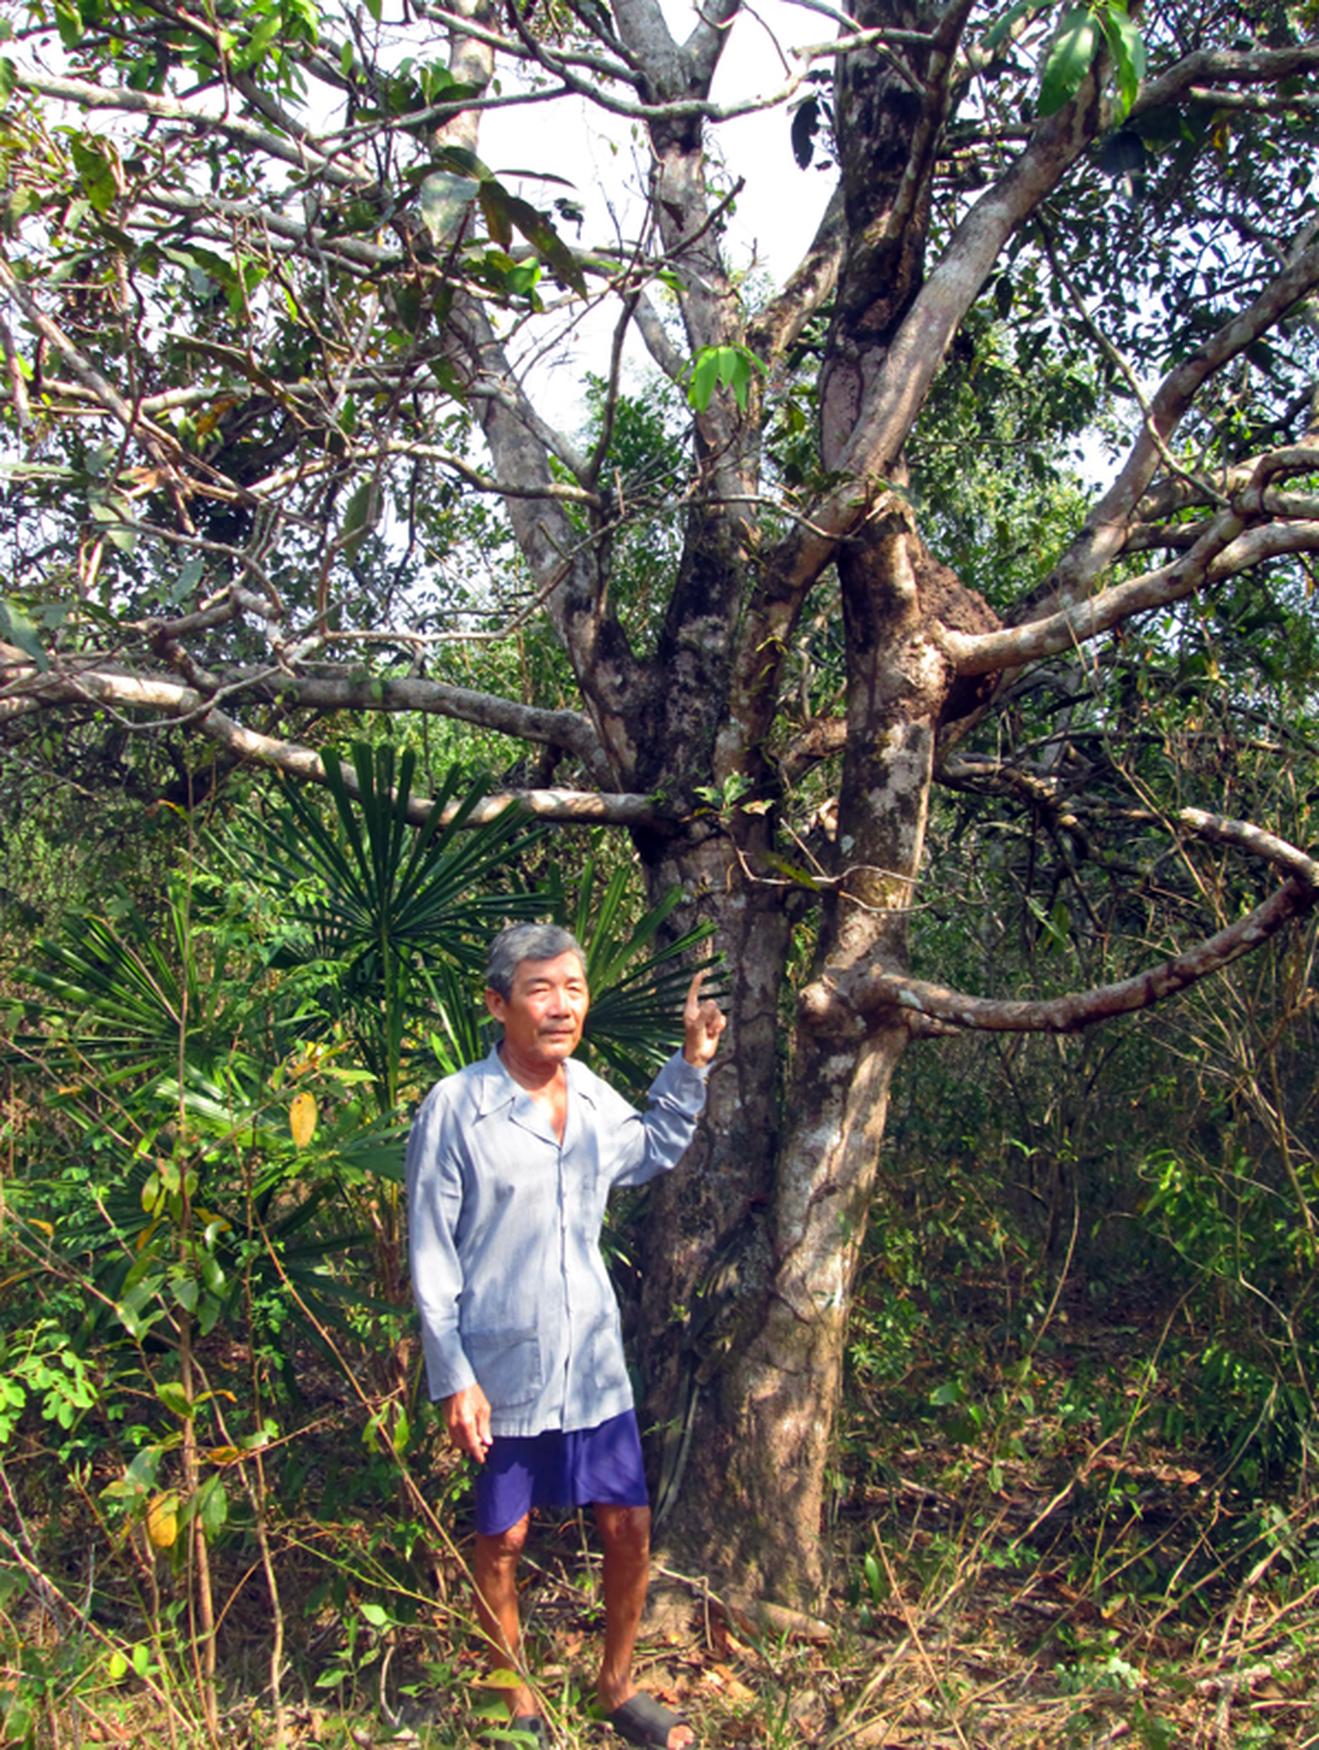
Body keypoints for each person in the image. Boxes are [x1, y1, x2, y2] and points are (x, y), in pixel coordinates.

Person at [406, 922, 726, 1749]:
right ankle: (513, 1699)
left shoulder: (587, 1094)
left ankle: (616, 1687)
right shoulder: (457, 1107)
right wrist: (453, 1375)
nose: (560, 1007)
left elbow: (647, 1149)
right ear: (497, 1004)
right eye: (540, 990)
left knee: (627, 1525)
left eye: (573, 990)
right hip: (501, 1363)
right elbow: (432, 1253)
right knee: (503, 1536)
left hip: (591, 1364)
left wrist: (690, 1064)